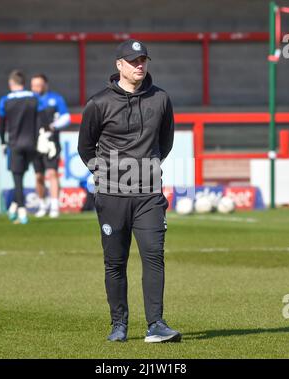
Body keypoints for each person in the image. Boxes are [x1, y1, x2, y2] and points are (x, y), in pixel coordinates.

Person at [78, 39, 181, 343]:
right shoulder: (98, 103)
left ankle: (156, 324)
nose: (140, 65)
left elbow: (166, 141)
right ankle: (119, 324)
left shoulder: (161, 99)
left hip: (149, 193)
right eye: (133, 61)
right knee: (115, 262)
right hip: (111, 195)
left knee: (153, 256)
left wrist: (144, 170)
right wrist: (107, 175)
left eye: (143, 60)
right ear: (119, 65)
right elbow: (85, 146)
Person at [0, 70, 43, 224]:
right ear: (23, 83)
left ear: (11, 84)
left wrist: (3, 143)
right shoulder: (34, 98)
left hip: (15, 144)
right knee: (32, 174)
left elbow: (2, 124)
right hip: (33, 143)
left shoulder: (5, 100)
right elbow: (40, 119)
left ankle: (22, 212)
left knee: (18, 178)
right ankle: (14, 206)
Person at [31, 74, 70, 218]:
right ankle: (42, 205)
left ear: (45, 84)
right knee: (38, 176)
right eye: (34, 85)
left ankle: (54, 206)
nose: (36, 88)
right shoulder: (30, 100)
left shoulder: (55, 98)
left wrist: (53, 126)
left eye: (39, 84)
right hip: (35, 143)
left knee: (52, 173)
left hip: (51, 142)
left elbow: (66, 117)